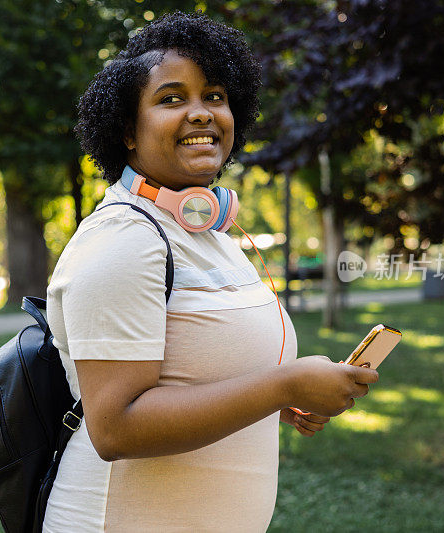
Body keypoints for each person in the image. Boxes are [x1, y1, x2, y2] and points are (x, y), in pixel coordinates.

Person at [44, 11, 378, 532]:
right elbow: (115, 429)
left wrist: (280, 400)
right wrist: (282, 387)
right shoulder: (124, 240)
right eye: (171, 98)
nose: (201, 113)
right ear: (128, 130)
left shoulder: (207, 232)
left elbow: (207, 375)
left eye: (215, 96)